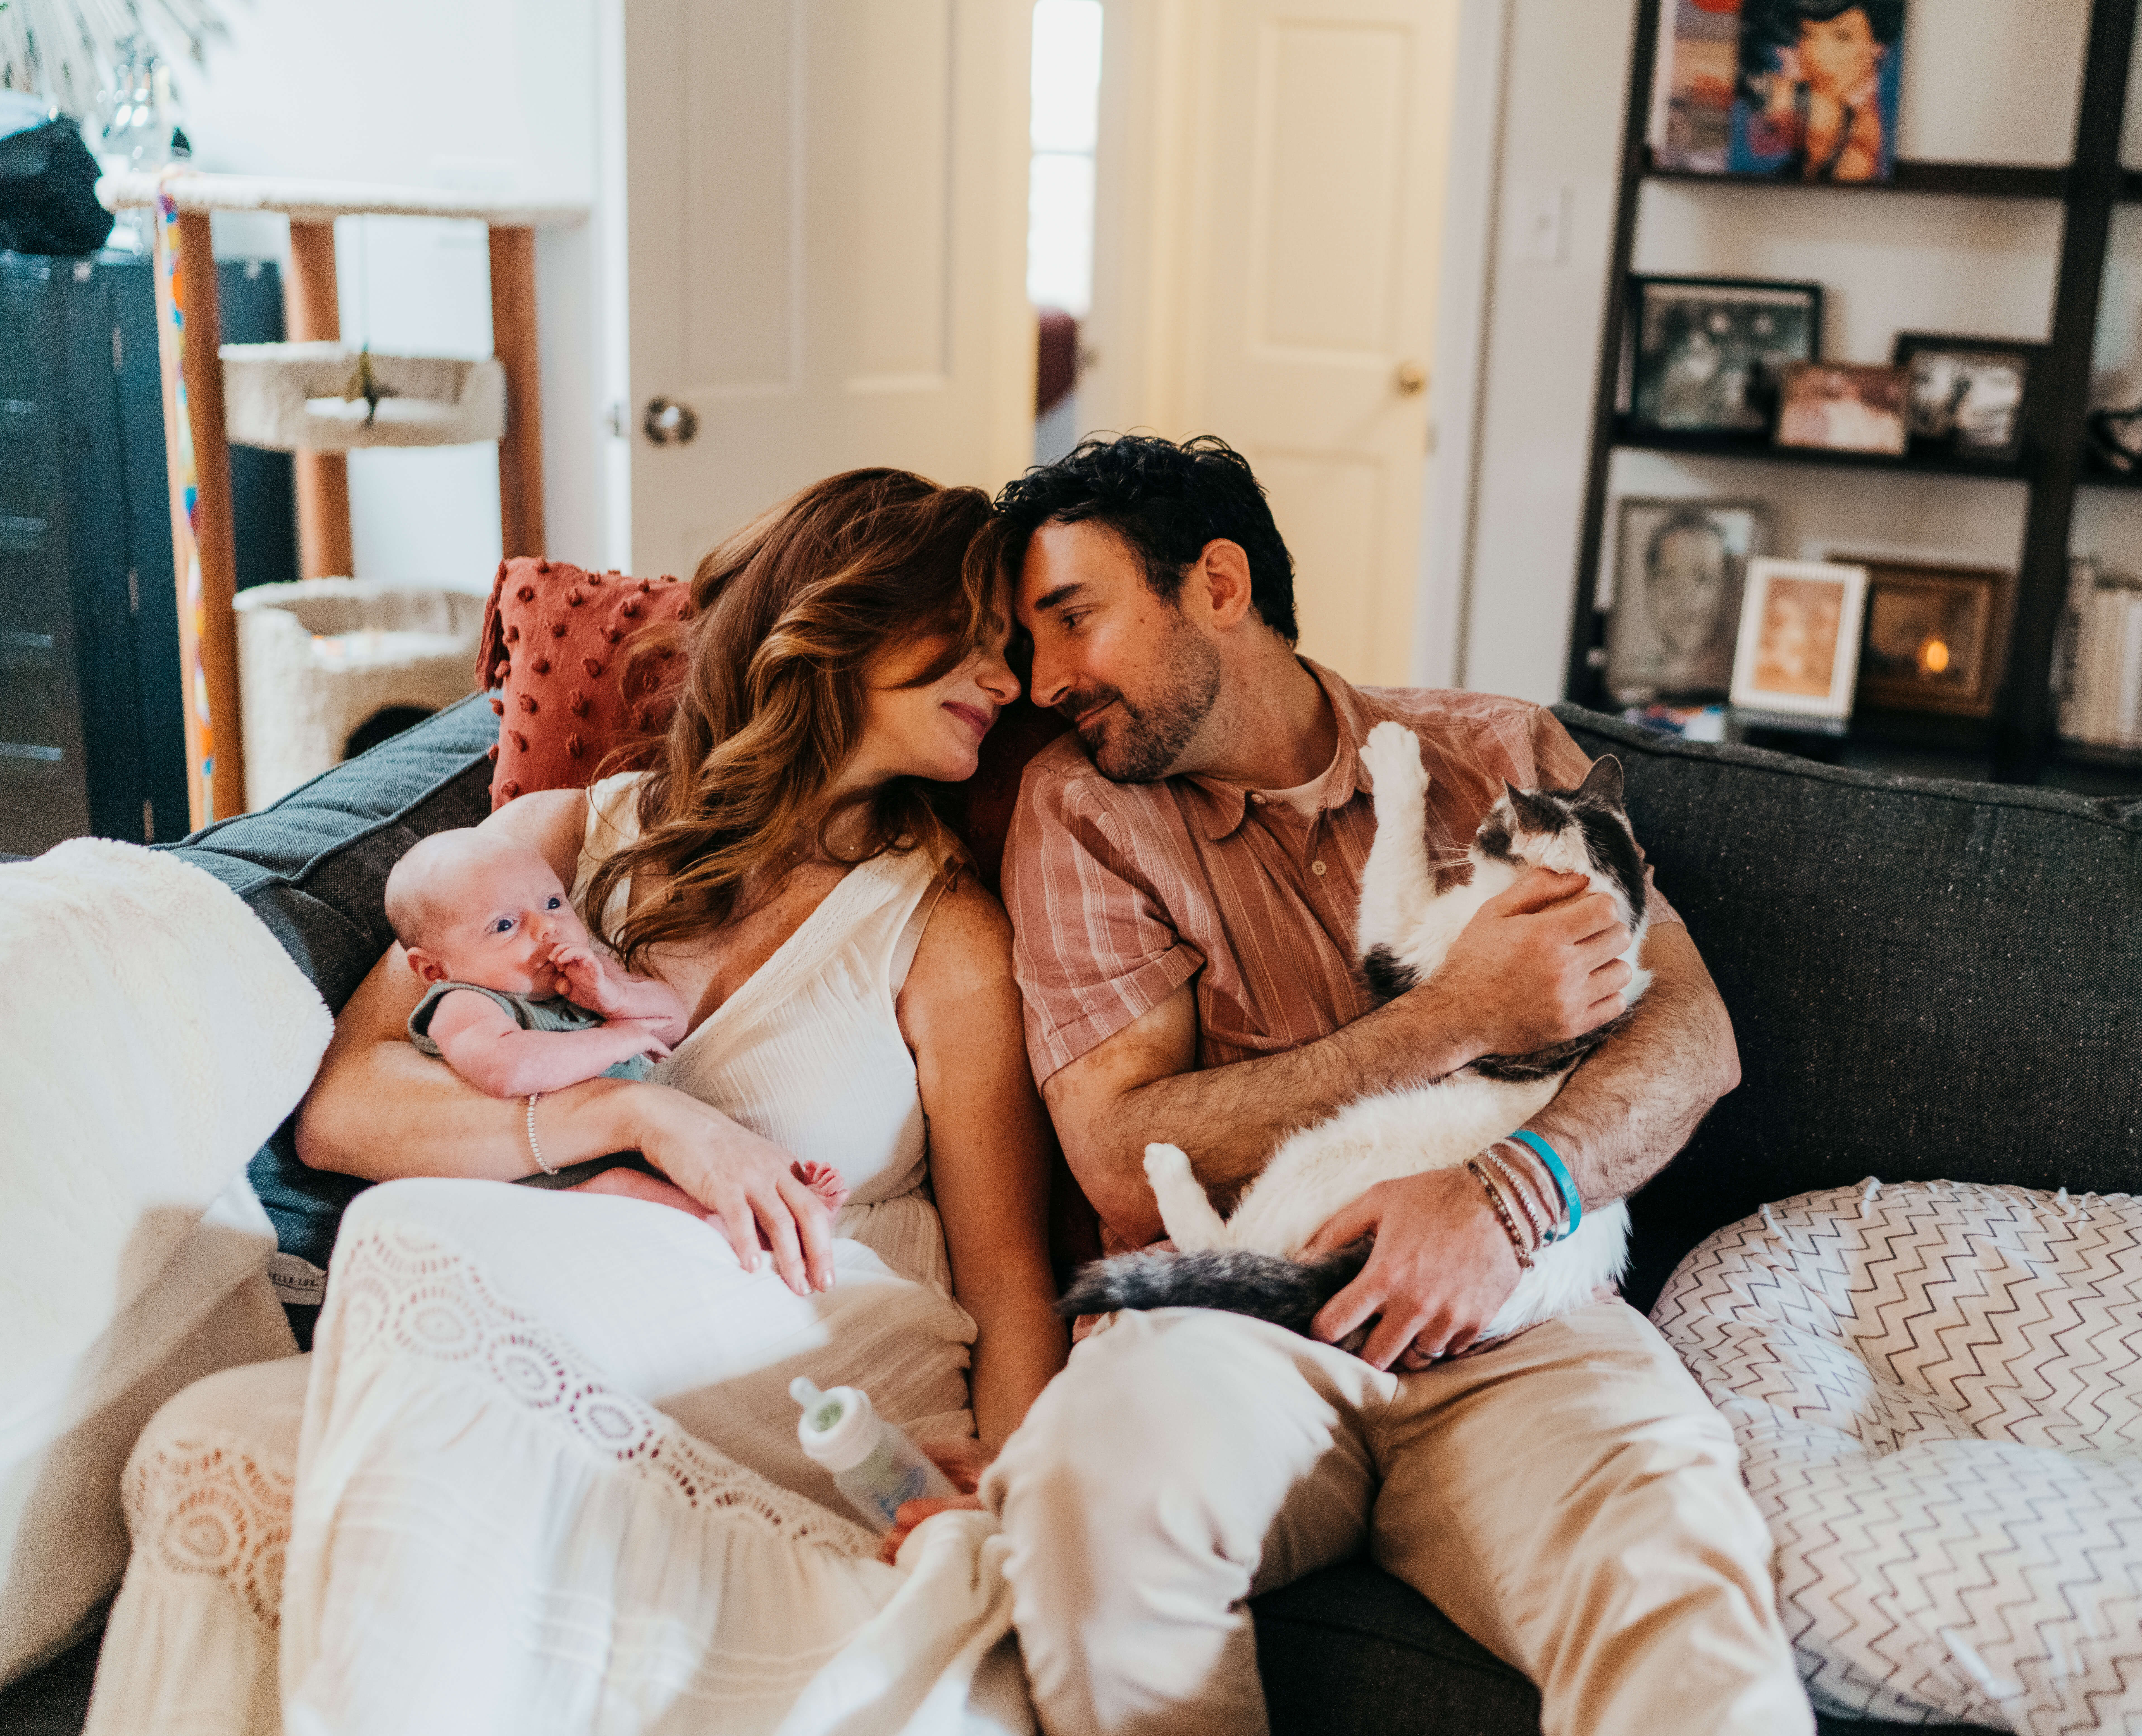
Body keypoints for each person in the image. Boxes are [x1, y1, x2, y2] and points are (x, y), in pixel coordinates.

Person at [87, 469, 1065, 1736]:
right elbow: (345, 1107)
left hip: (814, 1340)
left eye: (1010, 650)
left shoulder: (942, 931)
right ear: (847, 618)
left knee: (412, 1239)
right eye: (974, 636)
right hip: (576, 1312)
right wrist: (641, 1116)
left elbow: (1005, 1271)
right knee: (207, 1439)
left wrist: (1015, 1492)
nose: (1006, 679)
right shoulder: (565, 843)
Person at [973, 435, 1813, 1735]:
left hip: (1523, 1317)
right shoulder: (1083, 812)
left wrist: (1512, 1194)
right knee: (1090, 1493)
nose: (1045, 683)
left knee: (1681, 1595)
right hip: (1236, 1325)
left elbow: (1692, 1035)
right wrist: (1457, 1014)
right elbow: (1122, 1158)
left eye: (1074, 620)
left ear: (1219, 585)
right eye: (1032, 646)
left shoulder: (1495, 750)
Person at [383, 824, 851, 1222]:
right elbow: (508, 1069)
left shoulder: (586, 975)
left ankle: (779, 1200)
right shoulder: (465, 1003)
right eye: (505, 925)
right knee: (623, 1187)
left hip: (619, 1157)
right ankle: (746, 1225)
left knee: (673, 1173)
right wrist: (614, 1037)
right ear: (434, 969)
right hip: (534, 1187)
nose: (546, 927)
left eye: (552, 902)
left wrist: (614, 997)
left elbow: (670, 1023)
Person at [1736, 0, 1904, 183]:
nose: (1819, 56)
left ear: (1877, 47)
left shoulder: (1877, 132)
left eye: (1843, 37)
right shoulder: (1790, 100)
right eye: (1809, 35)